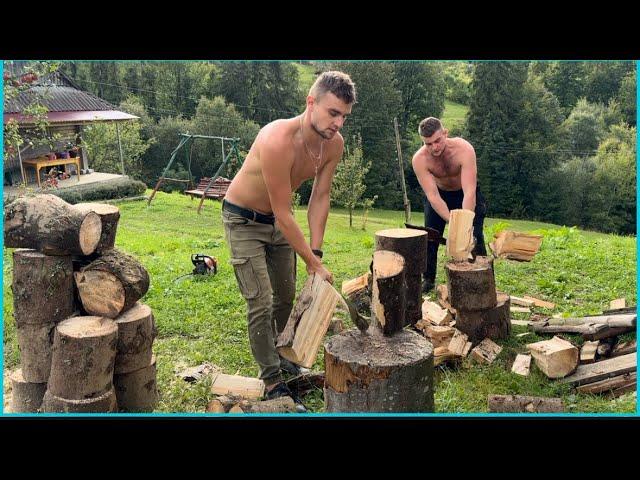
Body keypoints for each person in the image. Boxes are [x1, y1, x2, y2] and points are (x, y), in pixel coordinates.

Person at [222, 71, 356, 405]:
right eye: (332, 113)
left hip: (279, 223)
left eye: (344, 116)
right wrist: (312, 265)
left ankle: (283, 356)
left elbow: (320, 197)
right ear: (311, 103)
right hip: (243, 219)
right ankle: (270, 381)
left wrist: (316, 252)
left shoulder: (334, 144)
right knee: (262, 301)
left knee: (285, 297)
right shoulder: (276, 139)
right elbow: (284, 211)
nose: (338, 123)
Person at [411, 117, 487, 293]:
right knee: (430, 236)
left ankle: (483, 274)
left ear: (445, 133)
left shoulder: (464, 149)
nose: (434, 147)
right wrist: (452, 222)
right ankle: (428, 279)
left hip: (465, 193)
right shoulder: (419, 160)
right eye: (428, 144)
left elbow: (470, 191)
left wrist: (465, 224)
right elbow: (433, 195)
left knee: (475, 235)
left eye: (437, 140)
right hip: (440, 196)